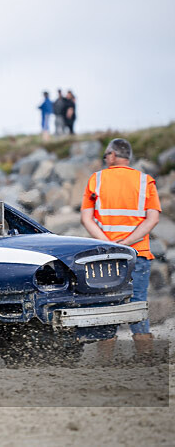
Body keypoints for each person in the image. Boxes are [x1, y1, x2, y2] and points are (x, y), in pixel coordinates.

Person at [80, 138, 160, 361]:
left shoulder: (96, 179)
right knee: (137, 301)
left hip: (106, 255)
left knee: (106, 302)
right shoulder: (146, 181)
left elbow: (86, 218)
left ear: (113, 156)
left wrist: (111, 244)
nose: (105, 159)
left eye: (106, 155)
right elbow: (152, 218)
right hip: (138, 253)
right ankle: (146, 358)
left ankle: (105, 360)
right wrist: (128, 242)